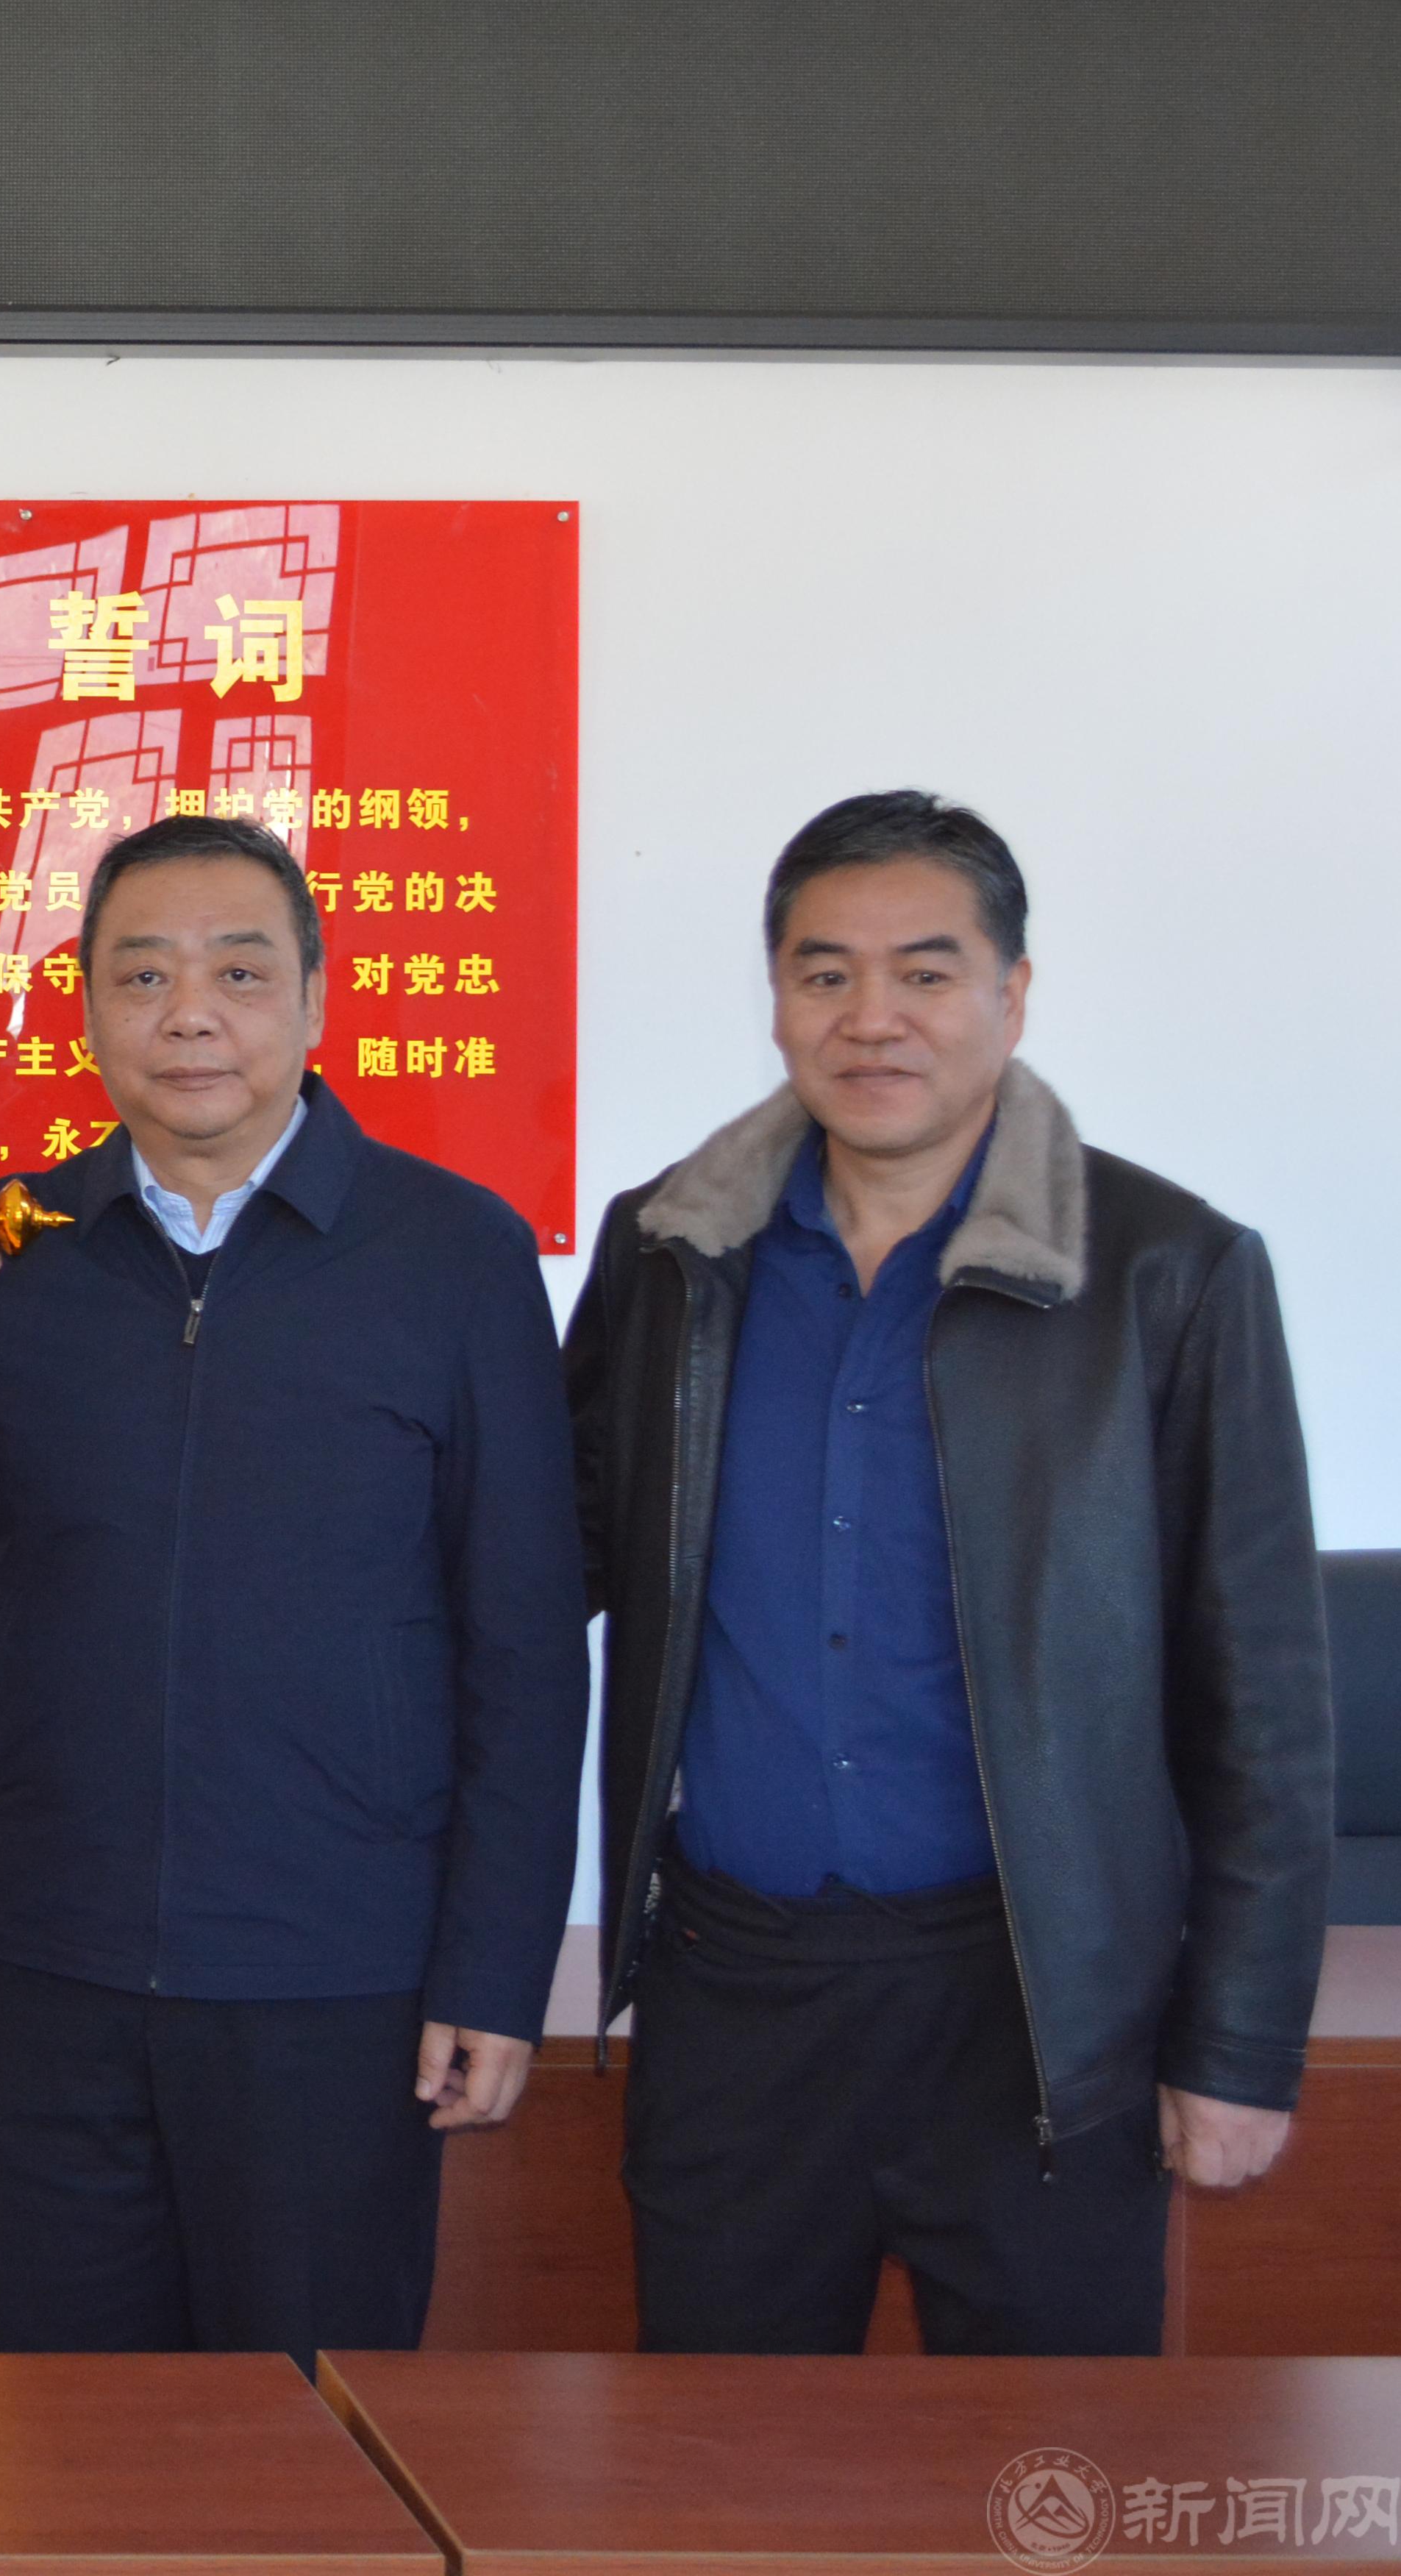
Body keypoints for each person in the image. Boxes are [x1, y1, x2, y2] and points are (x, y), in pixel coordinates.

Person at [566, 791, 1323, 2355]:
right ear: (777, 995)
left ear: (1013, 992)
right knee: (726, 2468)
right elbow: (542, 1559)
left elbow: (1263, 1695)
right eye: (825, 972)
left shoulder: (1168, 1271)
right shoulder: (670, 1255)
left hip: (1032, 2008)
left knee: (1051, 2467)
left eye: (926, 971)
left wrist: (1241, 2044)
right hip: (735, 1993)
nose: (873, 1018)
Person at [0, 812, 587, 2355]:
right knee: (66, 2440)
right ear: (87, 1012)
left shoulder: (452, 1253)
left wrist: (495, 1969)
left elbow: (525, 1639)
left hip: (339, 1976)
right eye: (143, 975)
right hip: (42, 1962)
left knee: (309, 2439)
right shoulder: (0, 1249)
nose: (189, 1013)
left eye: (239, 972)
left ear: (316, 1001)